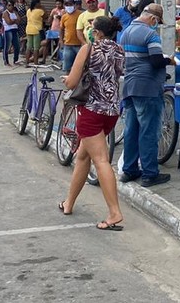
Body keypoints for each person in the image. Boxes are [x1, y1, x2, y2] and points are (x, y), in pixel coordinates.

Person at [59, 16, 126, 231]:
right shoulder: (119, 49)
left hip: (91, 110)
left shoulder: (88, 49)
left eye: (91, 28)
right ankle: (69, 203)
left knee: (101, 160)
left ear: (96, 32)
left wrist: (66, 80)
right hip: (112, 110)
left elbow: (72, 81)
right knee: (82, 156)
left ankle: (114, 212)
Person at [118, 2, 172, 188]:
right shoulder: (151, 34)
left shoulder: (125, 32)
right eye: (157, 21)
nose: (156, 24)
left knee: (131, 130)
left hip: (129, 86)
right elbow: (156, 61)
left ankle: (129, 170)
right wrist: (170, 60)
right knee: (148, 131)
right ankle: (150, 173)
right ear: (153, 18)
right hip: (147, 88)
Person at [60, 0, 83, 73]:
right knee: (67, 67)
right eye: (66, 4)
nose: (68, 6)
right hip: (68, 44)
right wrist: (61, 41)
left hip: (79, 44)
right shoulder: (64, 17)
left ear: (74, 5)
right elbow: (61, 29)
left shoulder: (81, 14)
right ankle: (69, 82)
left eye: (70, 4)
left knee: (81, 66)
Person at [42, 0, 64, 65]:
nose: (58, 5)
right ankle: (43, 59)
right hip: (53, 29)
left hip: (60, 30)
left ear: (62, 4)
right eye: (56, 4)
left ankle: (58, 58)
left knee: (59, 44)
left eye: (59, 4)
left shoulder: (64, 11)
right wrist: (51, 15)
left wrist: (60, 17)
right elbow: (49, 21)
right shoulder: (54, 10)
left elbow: (64, 20)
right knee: (46, 43)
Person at [24, 0, 45, 66]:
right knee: (36, 48)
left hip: (28, 29)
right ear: (37, 3)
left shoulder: (29, 10)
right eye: (39, 3)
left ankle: (27, 62)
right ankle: (35, 63)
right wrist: (43, 8)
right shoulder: (40, 11)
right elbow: (46, 16)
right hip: (36, 30)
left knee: (29, 47)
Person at [1, 1, 21, 66]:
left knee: (17, 46)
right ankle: (6, 61)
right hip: (8, 30)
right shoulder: (5, 13)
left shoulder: (15, 12)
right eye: (9, 5)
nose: (10, 6)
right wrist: (14, 20)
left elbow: (19, 20)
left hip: (15, 29)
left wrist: (14, 21)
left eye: (11, 5)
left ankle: (15, 60)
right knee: (7, 46)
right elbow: (8, 22)